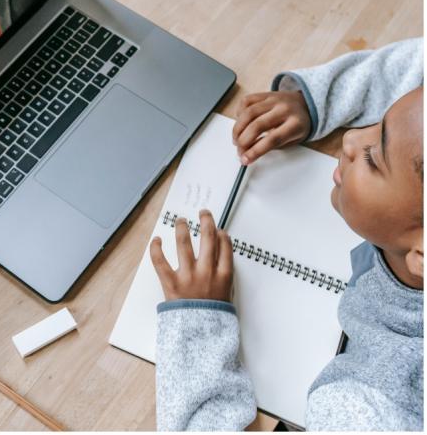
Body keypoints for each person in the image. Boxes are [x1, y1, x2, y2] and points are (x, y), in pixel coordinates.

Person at [150, 38, 424, 430]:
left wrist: (198, 325)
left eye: (373, 157)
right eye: (377, 121)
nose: (350, 140)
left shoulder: (360, 406)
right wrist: (316, 102)